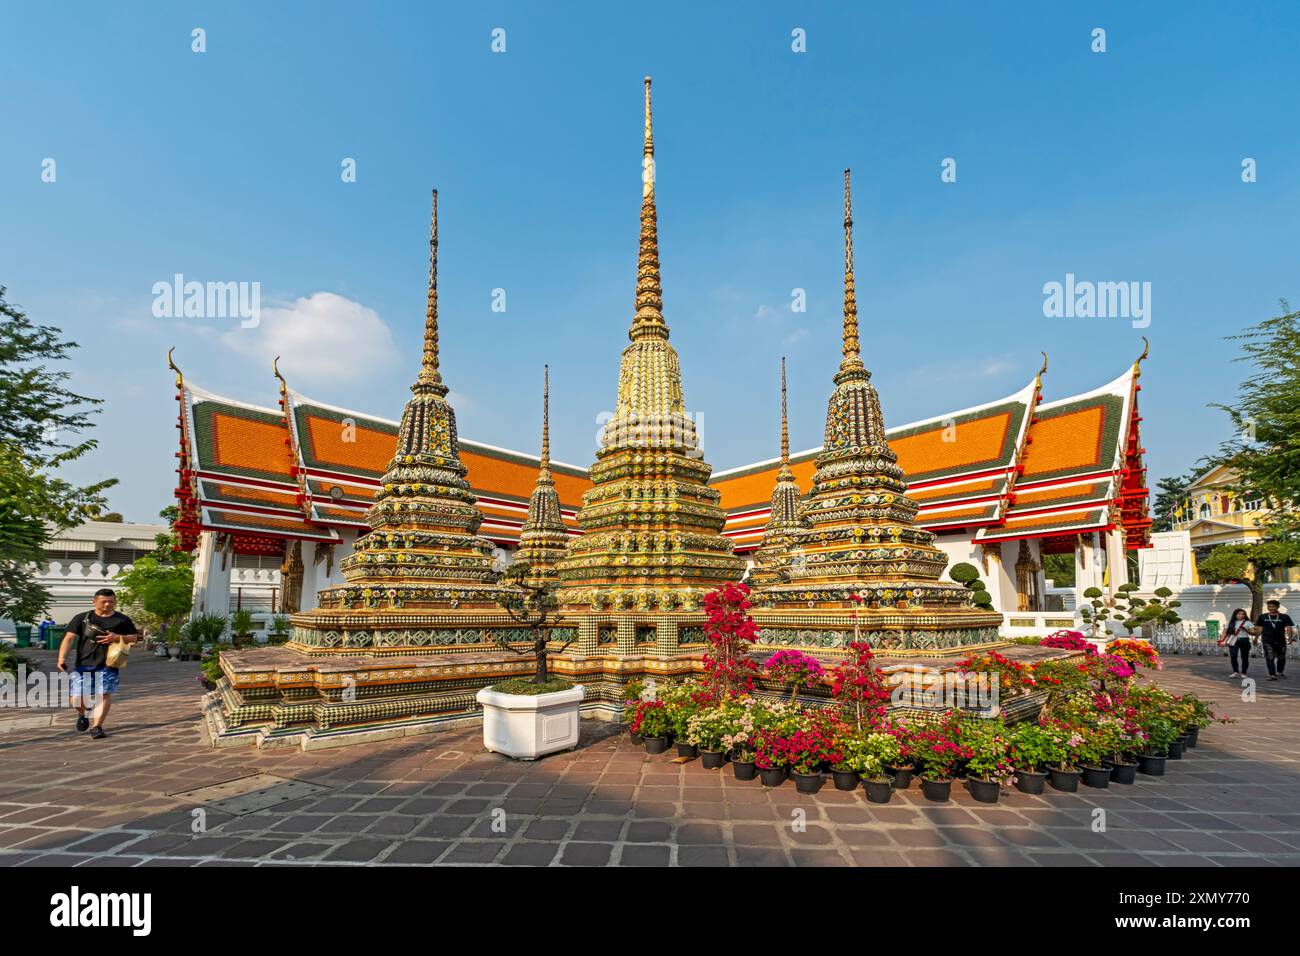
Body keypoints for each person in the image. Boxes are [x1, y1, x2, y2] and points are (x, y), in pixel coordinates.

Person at [57, 588, 140, 738]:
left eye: (111, 601)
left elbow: (134, 638)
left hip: (108, 663)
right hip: (83, 664)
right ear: (94, 601)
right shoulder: (81, 618)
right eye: (104, 601)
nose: (108, 604)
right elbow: (69, 639)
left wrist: (116, 637)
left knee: (104, 694)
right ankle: (84, 714)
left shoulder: (122, 620)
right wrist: (61, 658)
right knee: (76, 698)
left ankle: (97, 727)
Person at [1255, 599, 1296, 681]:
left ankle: (1280, 672)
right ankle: (1272, 674)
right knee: (1270, 657)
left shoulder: (1284, 617)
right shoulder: (1263, 616)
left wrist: (1290, 638)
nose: (1270, 608)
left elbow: (1288, 628)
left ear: (1277, 607)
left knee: (1281, 657)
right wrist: (1256, 638)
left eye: (1273, 606)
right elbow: (1260, 628)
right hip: (1267, 640)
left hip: (1280, 640)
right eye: (1269, 606)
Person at [1218, 608, 1257, 678]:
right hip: (1233, 640)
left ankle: (1244, 673)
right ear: (1235, 614)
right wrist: (1221, 641)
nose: (1241, 615)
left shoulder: (1248, 622)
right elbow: (1225, 632)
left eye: (1243, 614)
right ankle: (1235, 672)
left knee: (1244, 657)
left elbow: (1253, 632)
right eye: (1239, 614)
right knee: (1233, 656)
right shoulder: (1231, 623)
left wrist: (1246, 630)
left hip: (1244, 640)